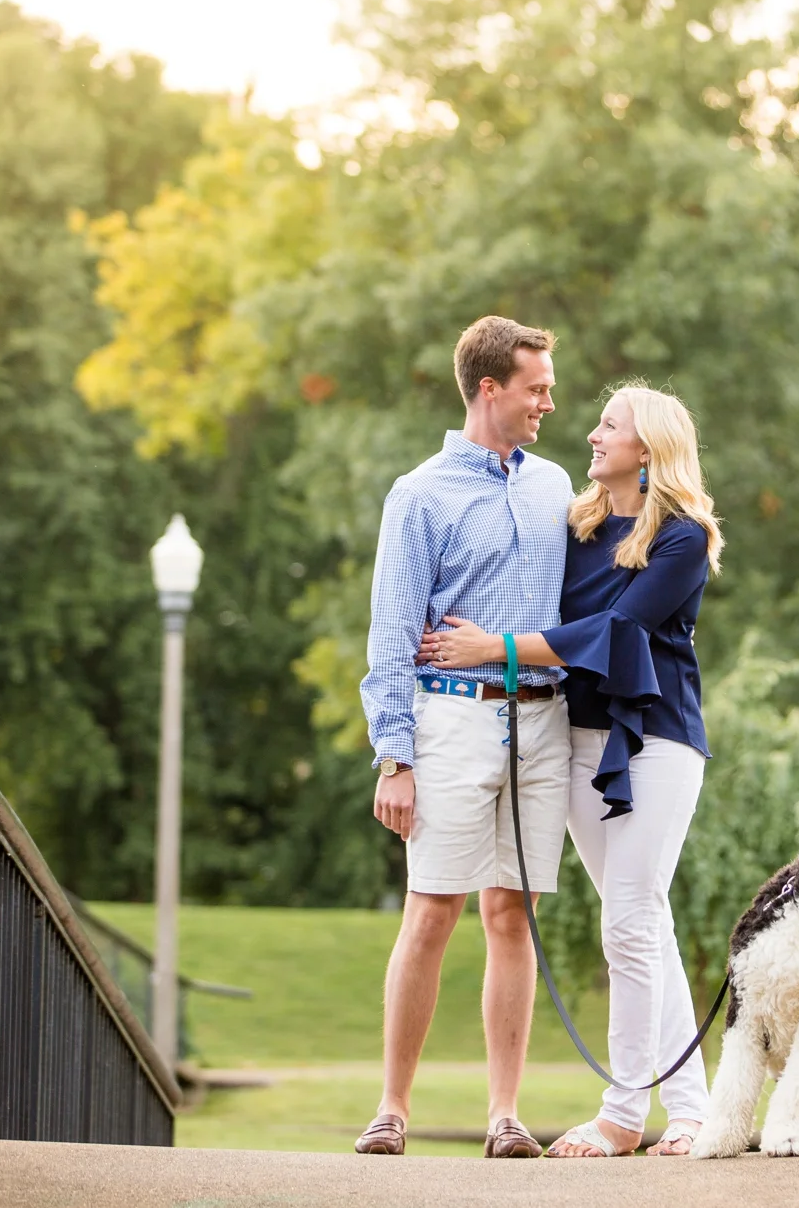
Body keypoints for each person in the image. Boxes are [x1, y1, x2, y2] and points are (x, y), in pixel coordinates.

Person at [421, 384, 723, 1158]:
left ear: (648, 448)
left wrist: (498, 648)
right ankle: (693, 1111)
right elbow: (521, 580)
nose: (590, 434)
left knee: (626, 920)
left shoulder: (683, 537)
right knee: (643, 919)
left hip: (654, 742)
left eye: (609, 425)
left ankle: (623, 1112)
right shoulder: (580, 525)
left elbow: (616, 629)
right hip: (577, 738)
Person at [353, 316, 573, 1160]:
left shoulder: (557, 486)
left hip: (543, 719)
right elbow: (390, 633)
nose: (547, 402)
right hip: (450, 717)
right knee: (432, 909)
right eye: (536, 388)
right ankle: (392, 1107)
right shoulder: (420, 494)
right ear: (491, 389)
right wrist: (395, 756)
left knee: (511, 914)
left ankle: (506, 1114)